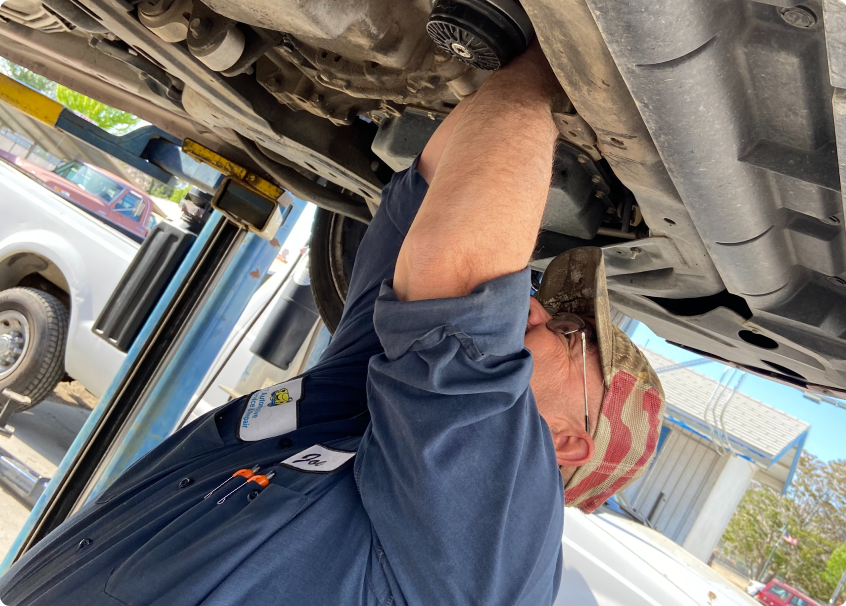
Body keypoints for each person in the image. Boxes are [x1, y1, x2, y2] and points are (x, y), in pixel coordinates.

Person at [0, 43, 664, 606]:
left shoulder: (500, 536)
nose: (534, 308)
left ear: (570, 445)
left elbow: (455, 276)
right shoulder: (366, 415)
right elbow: (429, 195)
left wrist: (554, 62)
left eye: (568, 334)